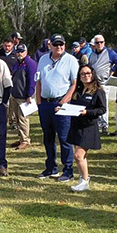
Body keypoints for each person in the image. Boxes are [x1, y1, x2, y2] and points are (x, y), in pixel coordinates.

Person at [36, 34, 79, 182]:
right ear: (50, 46)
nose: (59, 47)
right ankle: (50, 168)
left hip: (61, 103)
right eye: (56, 44)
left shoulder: (71, 60)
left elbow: (74, 83)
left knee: (64, 138)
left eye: (61, 44)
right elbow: (39, 80)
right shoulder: (43, 59)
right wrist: (39, 101)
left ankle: (68, 170)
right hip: (45, 104)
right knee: (48, 137)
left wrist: (64, 102)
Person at [66, 65, 107, 192]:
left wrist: (87, 112)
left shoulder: (98, 91)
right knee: (78, 156)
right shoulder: (78, 90)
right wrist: (63, 109)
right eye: (83, 74)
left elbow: (102, 109)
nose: (86, 76)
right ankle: (82, 178)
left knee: (79, 155)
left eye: (88, 73)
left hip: (88, 126)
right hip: (76, 125)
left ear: (93, 74)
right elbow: (72, 105)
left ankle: (84, 181)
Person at [88, 34, 117, 134]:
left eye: (101, 42)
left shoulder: (110, 53)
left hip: (104, 82)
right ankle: (96, 124)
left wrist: (112, 71)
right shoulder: (92, 54)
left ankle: (104, 125)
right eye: (97, 43)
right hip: (94, 83)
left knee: (103, 104)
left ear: (104, 43)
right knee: (94, 103)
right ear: (94, 44)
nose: (99, 44)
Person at [9, 44, 37, 149]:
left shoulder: (30, 64)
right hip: (15, 95)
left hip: (24, 97)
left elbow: (32, 80)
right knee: (16, 119)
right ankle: (21, 138)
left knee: (23, 119)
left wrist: (30, 94)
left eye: (21, 51)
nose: (19, 53)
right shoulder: (17, 63)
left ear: (26, 51)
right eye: (18, 51)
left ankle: (25, 140)